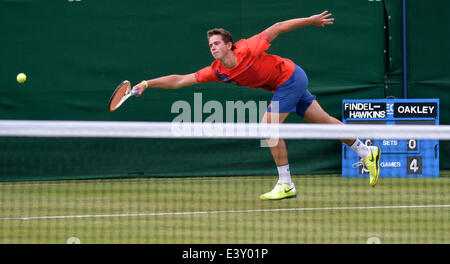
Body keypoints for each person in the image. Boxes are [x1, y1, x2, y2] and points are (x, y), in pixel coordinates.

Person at [132, 11, 381, 200]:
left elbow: (278, 27)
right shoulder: (217, 71)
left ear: (229, 44)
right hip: (285, 84)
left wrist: (310, 20)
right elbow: (179, 80)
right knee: (326, 123)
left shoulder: (250, 47)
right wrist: (146, 83)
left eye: (217, 43)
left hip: (290, 78)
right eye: (210, 46)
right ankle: (366, 152)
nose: (213, 48)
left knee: (268, 127)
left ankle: (286, 183)